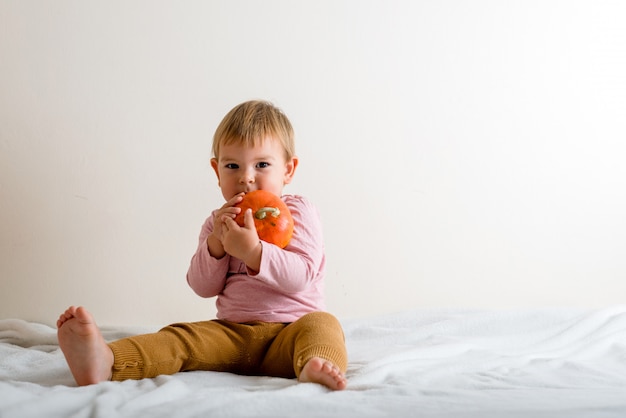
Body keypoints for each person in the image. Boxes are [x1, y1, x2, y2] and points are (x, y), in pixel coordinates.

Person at [56, 100, 348, 391]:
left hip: (291, 333)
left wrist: (253, 253)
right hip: (233, 335)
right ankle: (107, 360)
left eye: (262, 164)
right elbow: (201, 287)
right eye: (232, 165)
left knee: (324, 325)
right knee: (180, 337)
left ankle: (313, 364)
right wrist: (217, 246)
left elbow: (301, 276)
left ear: (288, 169)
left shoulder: (297, 212)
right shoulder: (217, 223)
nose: (246, 177)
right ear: (216, 170)